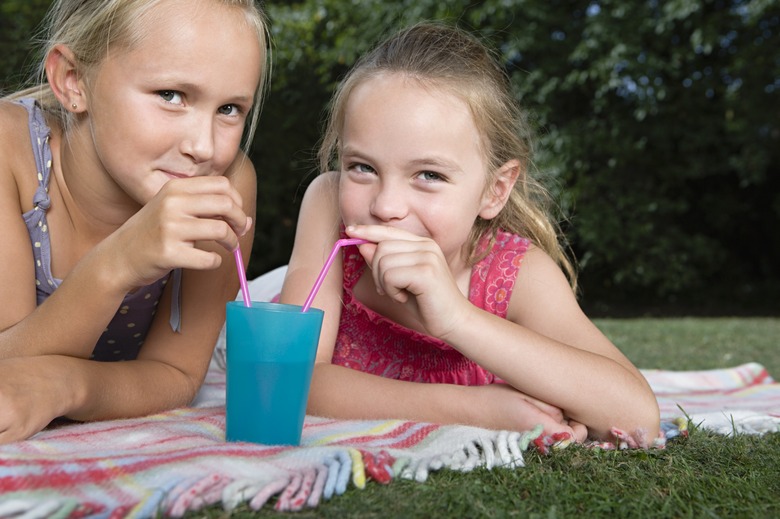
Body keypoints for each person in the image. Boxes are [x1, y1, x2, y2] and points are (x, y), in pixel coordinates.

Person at [280, 23, 660, 443]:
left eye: (428, 174)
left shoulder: (518, 275)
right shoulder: (329, 203)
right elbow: (289, 382)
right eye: (362, 168)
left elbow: (637, 415)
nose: (386, 206)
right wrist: (477, 410)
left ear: (494, 191)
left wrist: (457, 318)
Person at [0, 0, 269, 444]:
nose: (203, 148)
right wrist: (119, 263)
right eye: (171, 95)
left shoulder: (227, 186)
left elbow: (178, 373)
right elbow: (9, 372)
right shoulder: (11, 156)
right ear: (73, 80)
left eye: (229, 109)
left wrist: (70, 385)